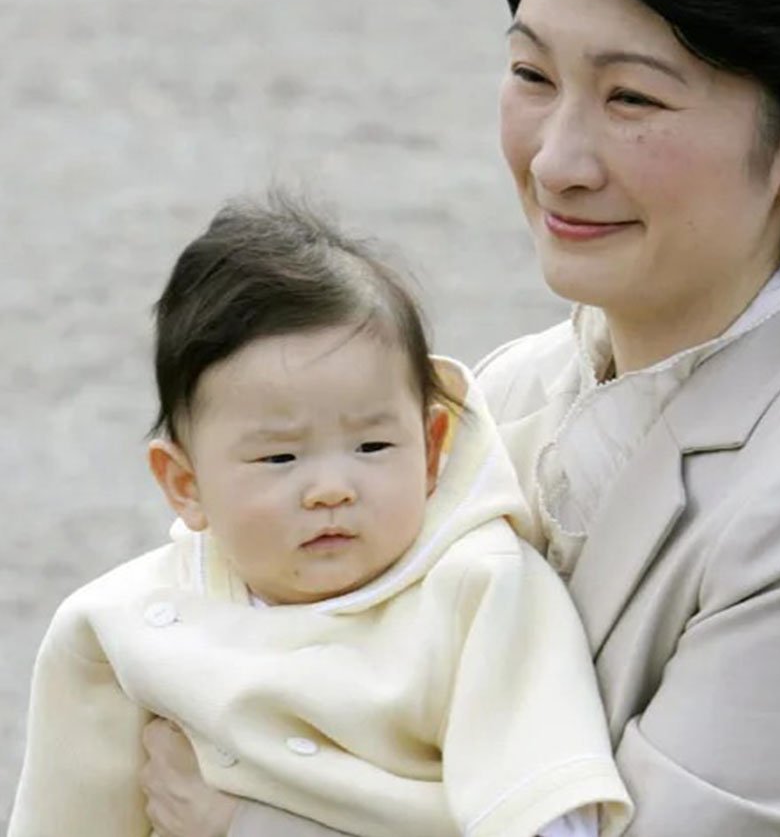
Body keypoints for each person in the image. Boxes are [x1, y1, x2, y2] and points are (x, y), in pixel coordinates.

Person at [137, 0, 780, 834]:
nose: (556, 158)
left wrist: (241, 821)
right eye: (532, 72)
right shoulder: (512, 388)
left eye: (632, 97)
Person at [9, 196, 634, 837]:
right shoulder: (117, 627)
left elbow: (546, 815)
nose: (330, 489)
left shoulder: (481, 592)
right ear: (185, 484)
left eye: (373, 446)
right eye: (279, 457)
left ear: (432, 448)